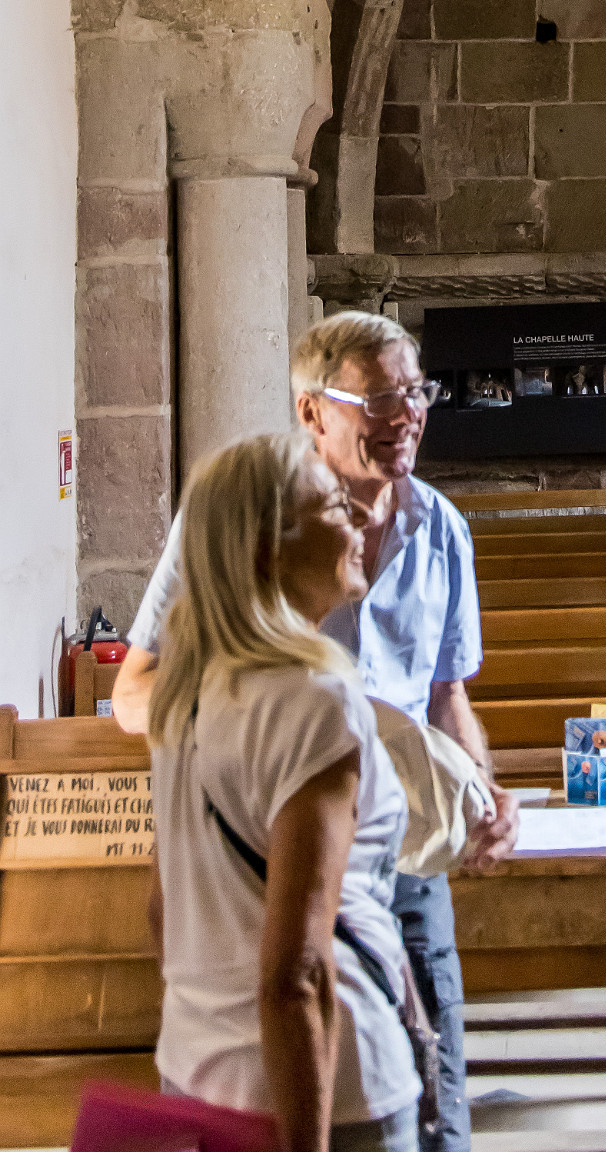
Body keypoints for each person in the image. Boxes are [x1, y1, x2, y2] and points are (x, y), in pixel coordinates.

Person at [115, 312, 518, 1152]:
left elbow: (447, 696)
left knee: (438, 1088)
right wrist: (272, 722)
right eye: (380, 399)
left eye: (417, 393)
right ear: (312, 410)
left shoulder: (440, 528)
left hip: (395, 859)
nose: (407, 415)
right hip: (271, 853)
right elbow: (137, 692)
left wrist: (474, 789)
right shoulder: (244, 521)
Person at [148, 432, 420, 1152]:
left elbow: (164, 910)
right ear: (269, 549)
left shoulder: (188, 691)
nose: (360, 518)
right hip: (322, 1090)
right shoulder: (312, 697)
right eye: (333, 506)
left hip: (196, 1071)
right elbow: (294, 974)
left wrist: (208, 1021)